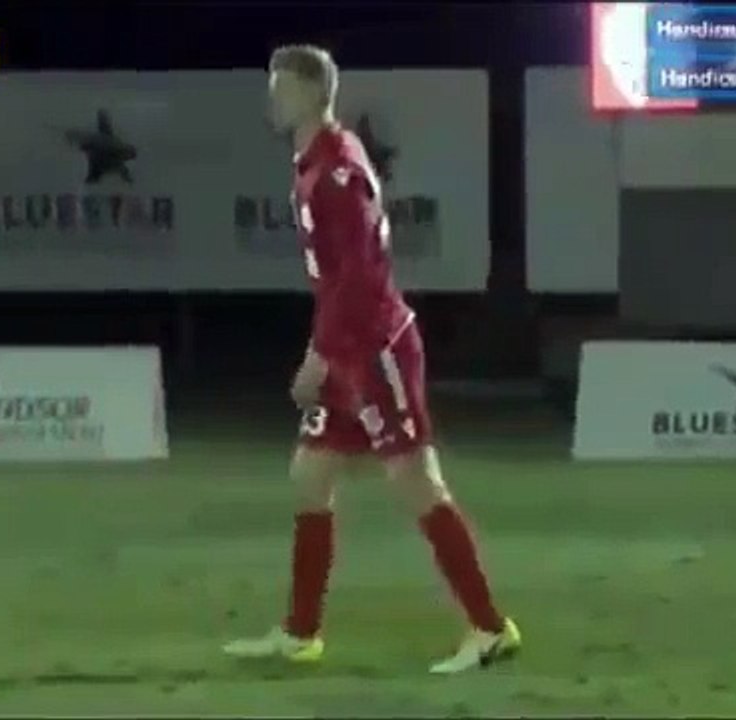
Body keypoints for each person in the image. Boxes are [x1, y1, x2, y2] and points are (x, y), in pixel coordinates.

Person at [222, 45, 520, 674]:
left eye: (281, 87)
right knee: (310, 476)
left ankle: (489, 628)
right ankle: (301, 632)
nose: (272, 98)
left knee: (416, 482)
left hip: (374, 347)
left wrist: (320, 356)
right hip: (350, 348)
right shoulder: (317, 158)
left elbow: (356, 277)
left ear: (310, 91)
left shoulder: (334, 170)